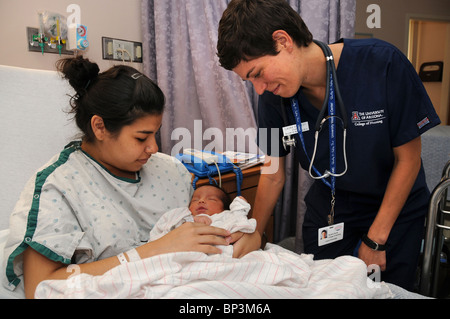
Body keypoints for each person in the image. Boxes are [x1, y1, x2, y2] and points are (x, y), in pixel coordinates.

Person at [217, 0, 440, 291]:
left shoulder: (383, 64)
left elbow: (408, 161)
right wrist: (255, 233)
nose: (258, 88)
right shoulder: (272, 99)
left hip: (393, 205)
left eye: (257, 73)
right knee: (317, 287)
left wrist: (376, 239)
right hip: (332, 205)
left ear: (283, 41)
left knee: (387, 292)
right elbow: (272, 172)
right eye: (249, 81)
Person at [1, 56, 231, 299]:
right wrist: (155, 250)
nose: (154, 147)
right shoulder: (58, 188)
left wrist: (247, 235)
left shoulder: (171, 170)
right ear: (100, 127)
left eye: (155, 134)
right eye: (141, 138)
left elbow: (207, 225)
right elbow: (40, 286)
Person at [149, 185, 256, 248]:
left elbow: (240, 223)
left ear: (224, 208)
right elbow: (163, 231)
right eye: (195, 199)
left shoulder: (225, 216)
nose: (201, 201)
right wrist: (190, 221)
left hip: (219, 253)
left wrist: (240, 207)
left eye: (212, 199)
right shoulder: (181, 215)